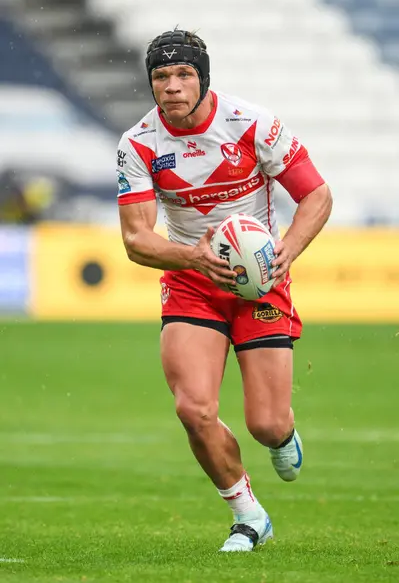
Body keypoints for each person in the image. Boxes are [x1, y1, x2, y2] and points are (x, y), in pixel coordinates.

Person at [116, 29, 332, 552]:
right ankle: (248, 515)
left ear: (203, 77)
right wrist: (194, 257)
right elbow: (136, 239)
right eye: (161, 77)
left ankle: (282, 434)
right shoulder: (139, 144)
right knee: (193, 408)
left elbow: (317, 195)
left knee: (265, 424)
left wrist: (288, 251)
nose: (171, 87)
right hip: (193, 281)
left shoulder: (252, 123)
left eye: (183, 74)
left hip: (260, 282)